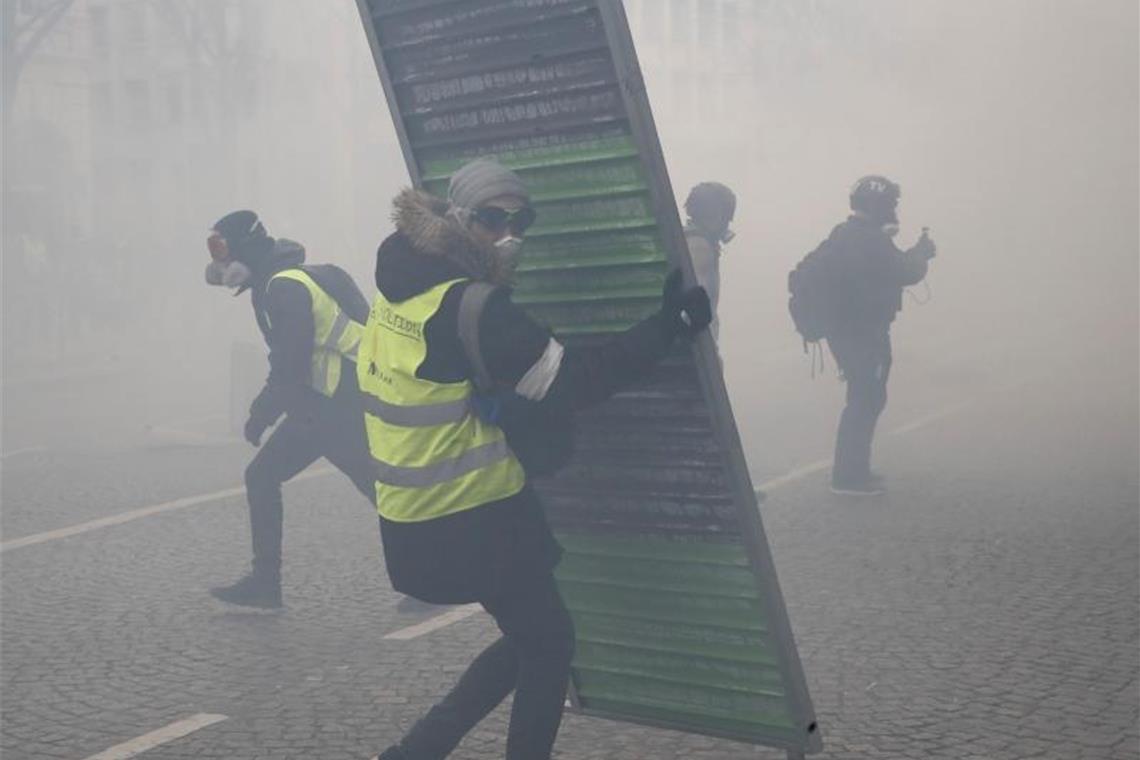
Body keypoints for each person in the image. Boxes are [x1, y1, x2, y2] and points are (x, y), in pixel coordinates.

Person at [363, 159, 711, 760]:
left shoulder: (398, 288)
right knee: (548, 642)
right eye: (494, 219)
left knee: (533, 637)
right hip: (475, 519)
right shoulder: (475, 308)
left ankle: (415, 752)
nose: (510, 234)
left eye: (521, 219)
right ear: (460, 218)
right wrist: (666, 327)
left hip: (409, 525)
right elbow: (576, 380)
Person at [204, 210, 375, 608]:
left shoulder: (282, 288)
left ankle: (266, 584)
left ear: (244, 247)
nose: (220, 262)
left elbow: (291, 361)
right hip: (336, 401)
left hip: (330, 403)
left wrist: (261, 413)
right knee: (379, 488)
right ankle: (430, 575)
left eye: (221, 249)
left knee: (263, 476)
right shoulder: (283, 281)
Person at [823, 176, 936, 495]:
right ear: (878, 205)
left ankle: (854, 469)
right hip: (863, 331)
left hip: (848, 329)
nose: (894, 211)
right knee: (866, 397)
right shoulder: (870, 239)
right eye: (891, 204)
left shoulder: (844, 233)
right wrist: (922, 253)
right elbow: (904, 271)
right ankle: (848, 477)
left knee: (865, 395)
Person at [683, 181, 737, 342]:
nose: (727, 224)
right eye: (726, 217)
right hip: (699, 350)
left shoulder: (685, 240)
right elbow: (696, 309)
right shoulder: (701, 248)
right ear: (715, 216)